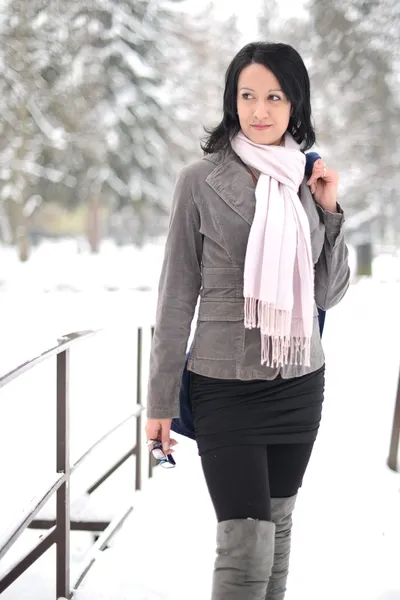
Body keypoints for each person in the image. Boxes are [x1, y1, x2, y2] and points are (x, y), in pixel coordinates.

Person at [145, 42, 350, 600]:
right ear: (232, 100)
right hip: (225, 386)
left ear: (295, 105)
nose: (260, 110)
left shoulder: (304, 180)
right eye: (248, 95)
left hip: (299, 381)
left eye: (275, 96)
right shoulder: (200, 180)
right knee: (244, 548)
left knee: (277, 534)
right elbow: (175, 296)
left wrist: (330, 215)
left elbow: (327, 293)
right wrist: (159, 402)